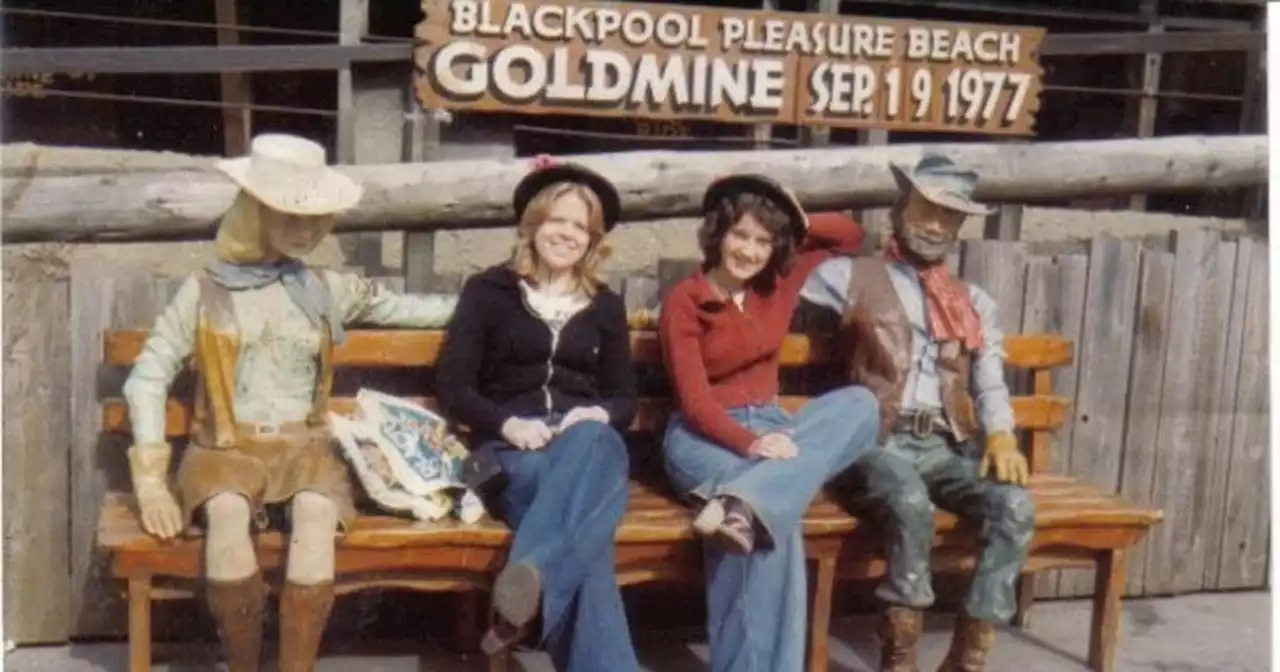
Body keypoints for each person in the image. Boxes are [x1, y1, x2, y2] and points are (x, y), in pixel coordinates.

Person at [122, 133, 459, 672]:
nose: (304, 229)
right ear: (254, 211)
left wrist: (500, 299)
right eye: (288, 215)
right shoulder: (206, 290)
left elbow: (412, 309)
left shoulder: (325, 288)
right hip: (225, 450)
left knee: (316, 512)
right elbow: (146, 378)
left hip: (306, 449)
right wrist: (150, 481)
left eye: (313, 218)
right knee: (229, 513)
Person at [800, 154, 1035, 672]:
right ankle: (899, 656)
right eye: (925, 208)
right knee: (910, 502)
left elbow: (989, 379)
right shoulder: (848, 277)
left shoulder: (972, 301)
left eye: (948, 216)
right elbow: (770, 283)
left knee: (1014, 506)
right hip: (873, 441)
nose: (934, 224)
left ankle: (968, 656)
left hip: (944, 447)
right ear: (899, 207)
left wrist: (1000, 435)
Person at [658, 174, 881, 672]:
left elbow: (848, 234)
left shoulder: (777, 282)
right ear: (717, 234)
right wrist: (753, 443)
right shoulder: (685, 302)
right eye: (740, 235)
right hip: (705, 436)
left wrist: (790, 217)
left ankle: (744, 502)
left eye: (764, 240)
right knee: (769, 525)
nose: (750, 251)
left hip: (776, 426)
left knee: (861, 404)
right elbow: (695, 403)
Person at [434, 157, 640, 671]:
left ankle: (528, 580)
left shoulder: (605, 305)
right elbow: (454, 385)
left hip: (583, 446)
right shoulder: (488, 292)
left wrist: (593, 413)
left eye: (580, 226)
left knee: (596, 441)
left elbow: (624, 401)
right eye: (557, 220)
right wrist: (507, 423)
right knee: (588, 550)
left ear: (593, 241)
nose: (567, 234)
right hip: (513, 451)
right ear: (533, 225)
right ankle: (530, 590)